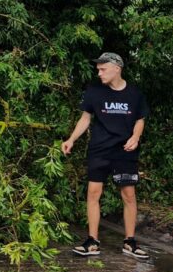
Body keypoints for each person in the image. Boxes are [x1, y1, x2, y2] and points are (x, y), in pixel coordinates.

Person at [61, 53, 149, 260]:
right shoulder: (94, 92)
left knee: (128, 195)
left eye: (103, 69)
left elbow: (140, 119)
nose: (99, 73)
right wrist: (71, 139)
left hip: (125, 151)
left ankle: (130, 241)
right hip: (99, 149)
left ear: (117, 68)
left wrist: (136, 137)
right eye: (98, 69)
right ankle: (92, 241)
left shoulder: (135, 94)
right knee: (93, 193)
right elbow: (85, 118)